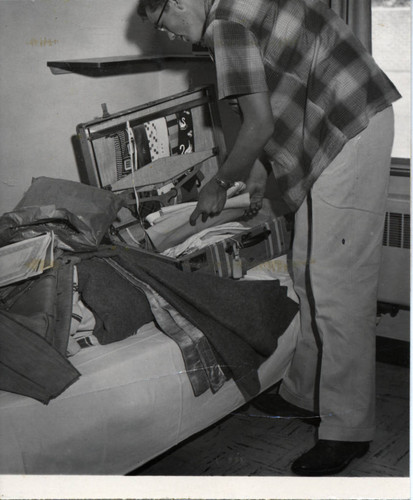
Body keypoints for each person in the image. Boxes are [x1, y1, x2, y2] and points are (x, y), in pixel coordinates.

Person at [137, 0, 401, 476]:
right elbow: (268, 95)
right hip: (344, 118)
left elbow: (257, 122)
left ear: (177, 2)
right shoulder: (236, 9)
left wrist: (219, 183)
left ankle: (348, 430)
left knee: (339, 287)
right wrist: (256, 171)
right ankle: (304, 393)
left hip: (351, 123)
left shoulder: (224, 23)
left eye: (166, 24)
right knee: (305, 268)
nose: (173, 35)